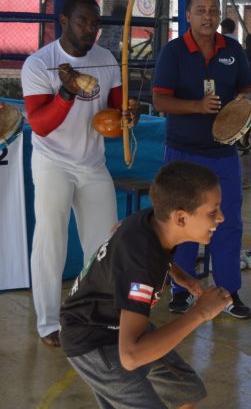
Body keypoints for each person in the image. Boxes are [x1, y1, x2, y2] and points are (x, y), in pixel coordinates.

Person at [60, 161, 231, 408]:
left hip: (115, 322)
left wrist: (177, 274)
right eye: (213, 211)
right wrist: (201, 311)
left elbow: (125, 237)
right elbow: (131, 357)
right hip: (93, 339)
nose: (221, 217)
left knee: (187, 391)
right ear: (181, 217)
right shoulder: (140, 265)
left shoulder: (153, 221)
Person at [20, 0, 123, 347]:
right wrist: (65, 93)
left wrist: (128, 117)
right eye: (83, 21)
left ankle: (98, 316)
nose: (91, 29)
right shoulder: (38, 64)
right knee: (50, 240)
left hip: (93, 163)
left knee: (103, 245)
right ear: (63, 22)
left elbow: (117, 109)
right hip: (52, 162)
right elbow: (40, 125)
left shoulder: (107, 59)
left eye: (95, 23)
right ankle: (49, 322)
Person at [152, 0, 251, 319]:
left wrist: (243, 103)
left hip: (223, 153)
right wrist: (197, 106)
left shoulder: (233, 50)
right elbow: (160, 100)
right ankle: (181, 290)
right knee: (180, 222)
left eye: (213, 10)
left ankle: (228, 293)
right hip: (183, 153)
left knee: (228, 223)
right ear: (188, 15)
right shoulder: (173, 52)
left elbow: (248, 87)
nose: (208, 16)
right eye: (200, 10)